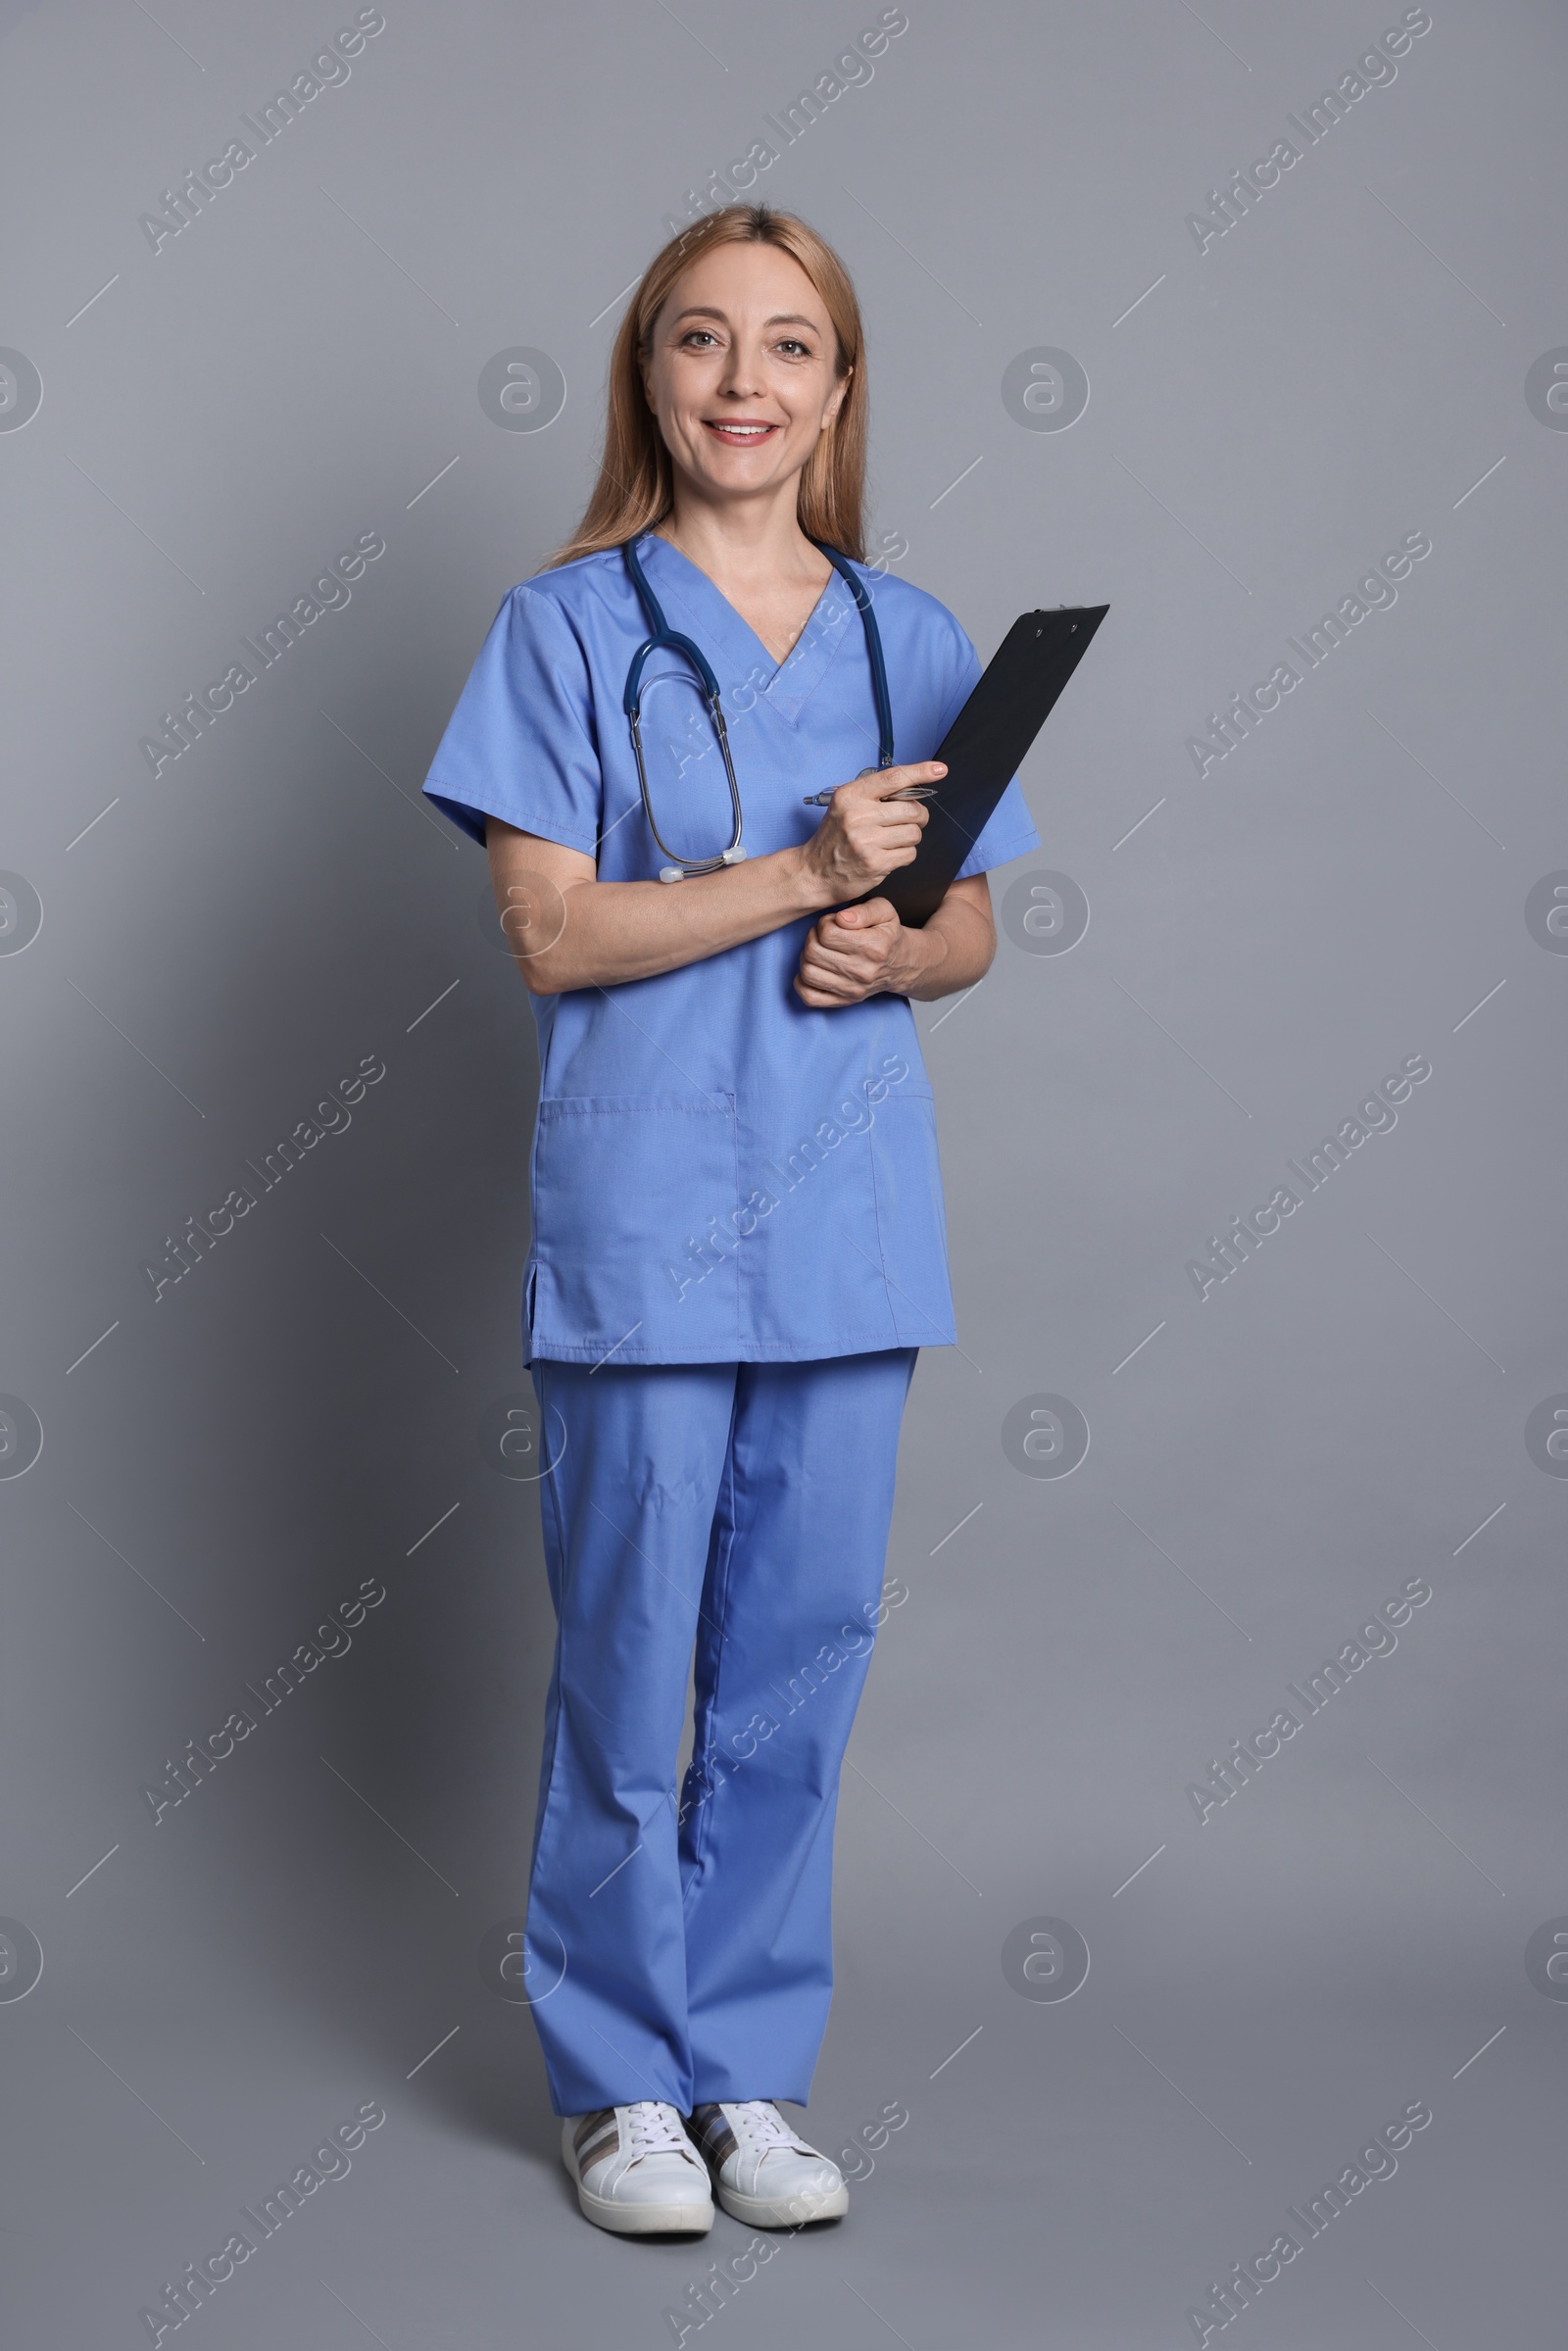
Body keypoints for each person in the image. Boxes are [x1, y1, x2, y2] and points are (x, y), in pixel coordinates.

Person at [421, 203, 1040, 2237]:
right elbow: (551, 932)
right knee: (626, 1662)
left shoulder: (909, 635)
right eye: (701, 342)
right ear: (648, 378)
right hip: (647, 1224)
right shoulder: (562, 625)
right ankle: (615, 2085)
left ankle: (745, 2074)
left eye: (787, 347)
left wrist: (901, 955)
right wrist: (797, 880)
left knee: (795, 1663)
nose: (743, 383)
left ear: (837, 393)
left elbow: (966, 929)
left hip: (847, 1229)